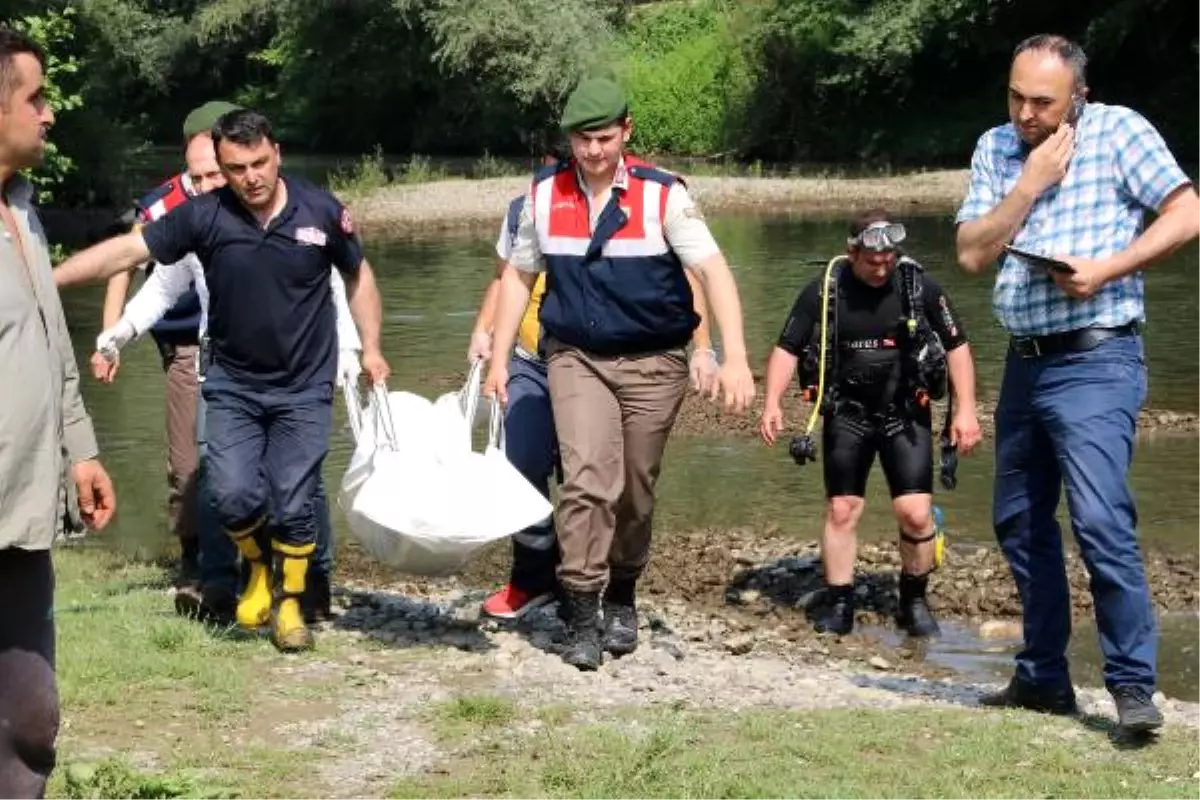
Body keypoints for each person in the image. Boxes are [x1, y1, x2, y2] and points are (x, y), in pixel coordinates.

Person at [54, 108, 389, 652]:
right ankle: (255, 568)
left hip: (304, 386)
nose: (251, 177)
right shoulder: (203, 217)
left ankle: (289, 604)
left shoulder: (321, 212)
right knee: (231, 494)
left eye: (259, 162)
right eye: (236, 168)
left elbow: (356, 275)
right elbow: (128, 252)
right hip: (232, 383)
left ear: (277, 152)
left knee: (293, 497)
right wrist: (45, 280)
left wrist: (366, 347)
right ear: (219, 168)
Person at [955, 34, 1200, 731]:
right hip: (1024, 360)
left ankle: (1131, 685)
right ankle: (1043, 677)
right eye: (1016, 97)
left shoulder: (1121, 132)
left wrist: (1108, 270)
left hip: (1098, 357)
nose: (1026, 113)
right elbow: (972, 253)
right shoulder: (996, 148)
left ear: (1078, 97)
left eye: (1043, 102)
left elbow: (1188, 213)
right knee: (1020, 522)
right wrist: (1027, 185)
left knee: (1099, 518)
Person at [483, 77, 755, 670]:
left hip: (656, 362)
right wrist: (500, 359)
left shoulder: (664, 197)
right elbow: (516, 278)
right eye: (582, 141)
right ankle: (580, 613)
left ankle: (623, 594)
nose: (593, 152)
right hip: (575, 356)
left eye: (604, 138)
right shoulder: (542, 196)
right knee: (586, 483)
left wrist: (732, 356)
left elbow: (715, 273)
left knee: (634, 492)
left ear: (626, 132)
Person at [469, 151, 720, 620]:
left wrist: (704, 347)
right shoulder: (529, 205)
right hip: (532, 359)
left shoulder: (644, 202)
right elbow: (507, 278)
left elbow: (690, 279)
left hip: (595, 355)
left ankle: (586, 580)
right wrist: (485, 335)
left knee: (590, 479)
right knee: (521, 467)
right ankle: (532, 577)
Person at [758, 210, 981, 638]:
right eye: (871, 260)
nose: (881, 268)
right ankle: (840, 600)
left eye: (888, 260)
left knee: (915, 515)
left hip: (906, 412)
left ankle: (913, 598)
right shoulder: (825, 290)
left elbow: (957, 347)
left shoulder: (919, 286)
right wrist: (772, 402)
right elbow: (787, 348)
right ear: (852, 251)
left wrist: (966, 409)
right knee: (843, 509)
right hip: (847, 413)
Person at [1, 27, 117, 796]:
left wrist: (81, 447)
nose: (49, 115)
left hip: (22, 517)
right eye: (35, 98)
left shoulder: (24, 209)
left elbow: (50, 341)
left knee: (33, 722)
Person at [93, 101, 238, 593]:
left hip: (239, 341)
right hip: (183, 342)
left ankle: (254, 553)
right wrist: (110, 338)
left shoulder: (252, 193)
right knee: (188, 461)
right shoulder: (162, 206)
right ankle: (195, 557)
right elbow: (126, 265)